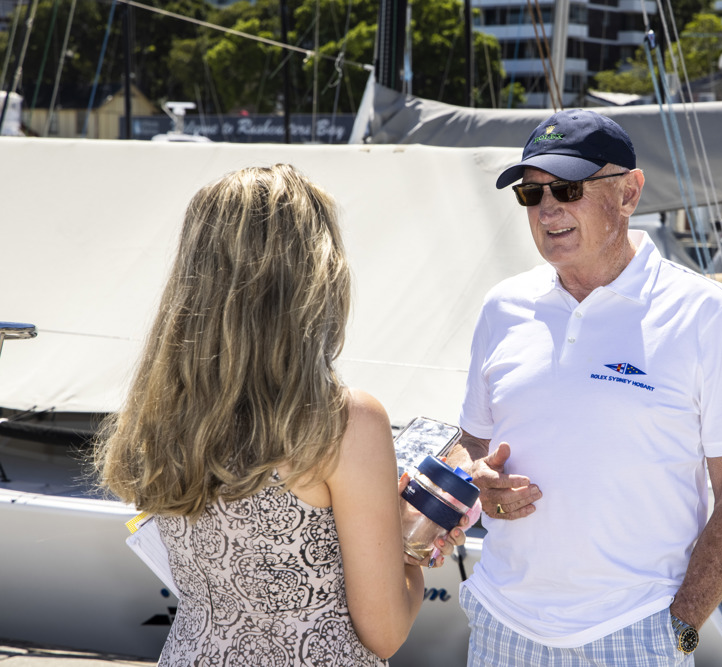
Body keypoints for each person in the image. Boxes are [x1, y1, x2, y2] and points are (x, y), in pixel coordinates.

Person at [92, 164, 464, 666]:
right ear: (316, 274)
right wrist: (409, 548)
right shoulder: (343, 422)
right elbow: (385, 631)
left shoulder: (162, 413)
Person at [446, 110, 722, 665]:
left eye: (568, 189)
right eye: (531, 193)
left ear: (629, 192)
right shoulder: (503, 306)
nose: (547, 210)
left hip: (634, 635)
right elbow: (470, 441)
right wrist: (477, 480)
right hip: (500, 623)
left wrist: (680, 631)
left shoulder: (706, 314)